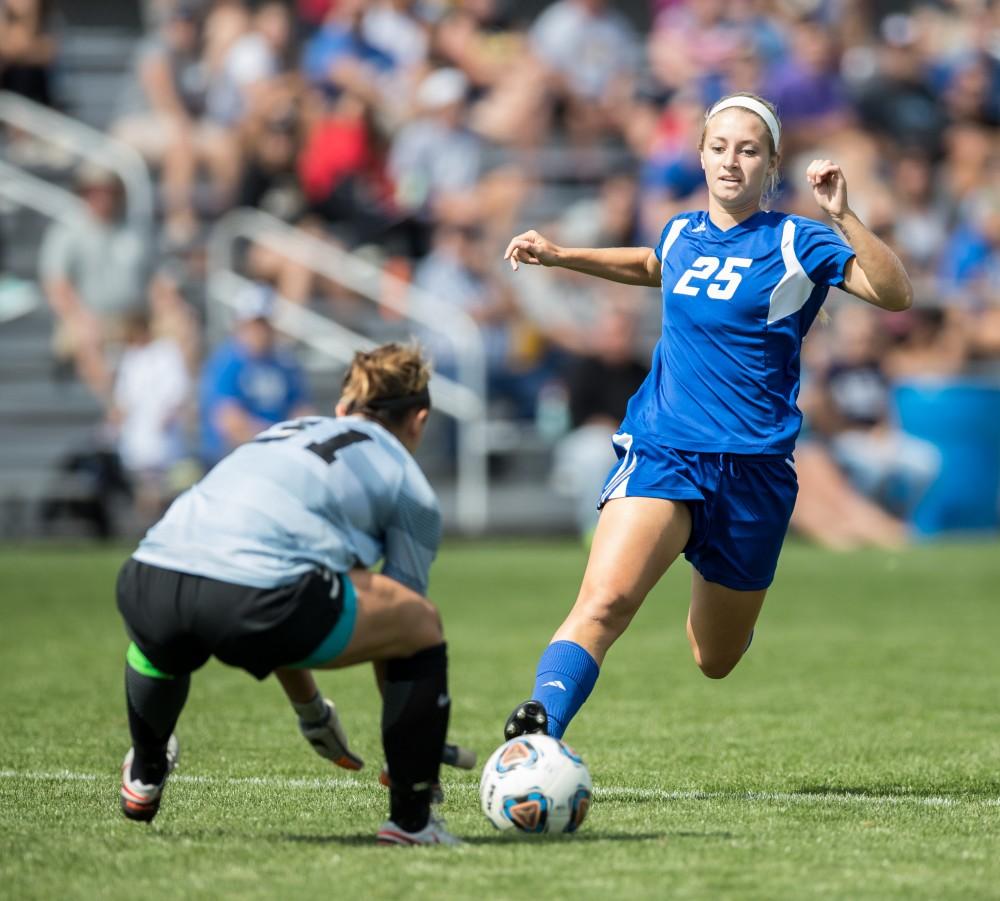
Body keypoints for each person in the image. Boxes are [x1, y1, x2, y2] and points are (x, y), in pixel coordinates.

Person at [499, 91, 913, 742]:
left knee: (713, 658)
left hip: (754, 473)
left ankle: (717, 590)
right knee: (604, 602)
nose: (730, 161)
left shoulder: (797, 240)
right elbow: (649, 264)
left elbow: (895, 293)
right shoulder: (679, 231)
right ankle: (537, 733)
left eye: (748, 149)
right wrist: (559, 254)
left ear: (772, 164)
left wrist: (844, 215)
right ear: (700, 154)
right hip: (666, 449)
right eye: (718, 147)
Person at [116, 343, 460, 846]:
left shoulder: (282, 432)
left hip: (148, 578)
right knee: (421, 624)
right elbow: (398, 628)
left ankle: (145, 769)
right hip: (254, 600)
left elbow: (258, 567)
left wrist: (312, 712)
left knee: (163, 645)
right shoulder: (409, 484)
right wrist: (412, 752)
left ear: (343, 408)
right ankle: (412, 822)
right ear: (420, 419)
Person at [198, 282, 312, 468]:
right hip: (234, 459)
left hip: (277, 455)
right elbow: (229, 422)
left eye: (264, 324)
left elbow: (302, 411)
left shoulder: (285, 363)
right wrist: (279, 442)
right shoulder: (226, 363)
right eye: (253, 325)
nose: (259, 332)